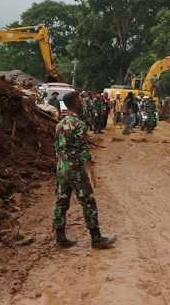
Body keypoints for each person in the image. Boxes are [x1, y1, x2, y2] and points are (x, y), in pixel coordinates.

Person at [52, 91, 116, 249]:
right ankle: (96, 238)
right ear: (75, 103)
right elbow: (83, 150)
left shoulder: (59, 124)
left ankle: (60, 238)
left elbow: (57, 148)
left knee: (61, 202)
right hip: (75, 169)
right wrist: (91, 173)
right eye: (80, 100)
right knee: (88, 202)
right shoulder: (79, 124)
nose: (82, 102)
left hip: (61, 168)